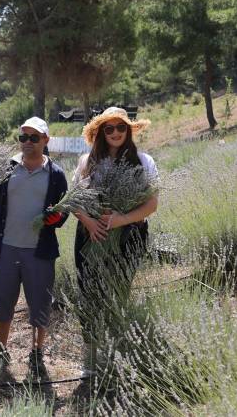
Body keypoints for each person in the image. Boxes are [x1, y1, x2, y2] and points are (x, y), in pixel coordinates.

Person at [72, 107, 157, 376]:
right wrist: (90, 222)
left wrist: (122, 219)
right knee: (89, 293)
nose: (116, 133)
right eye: (109, 128)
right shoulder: (87, 161)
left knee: (118, 293)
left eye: (121, 127)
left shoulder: (143, 161)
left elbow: (152, 204)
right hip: (91, 235)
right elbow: (74, 200)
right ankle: (91, 358)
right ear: (101, 132)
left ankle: (114, 356)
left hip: (129, 236)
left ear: (128, 130)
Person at [0, 116, 68, 377]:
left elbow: (64, 209)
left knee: (40, 303)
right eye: (23, 137)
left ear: (46, 140)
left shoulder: (56, 174)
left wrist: (56, 218)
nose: (28, 142)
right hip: (7, 248)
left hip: (39, 251)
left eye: (34, 137)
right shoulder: (7, 169)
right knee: (3, 302)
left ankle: (37, 352)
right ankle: (0, 348)